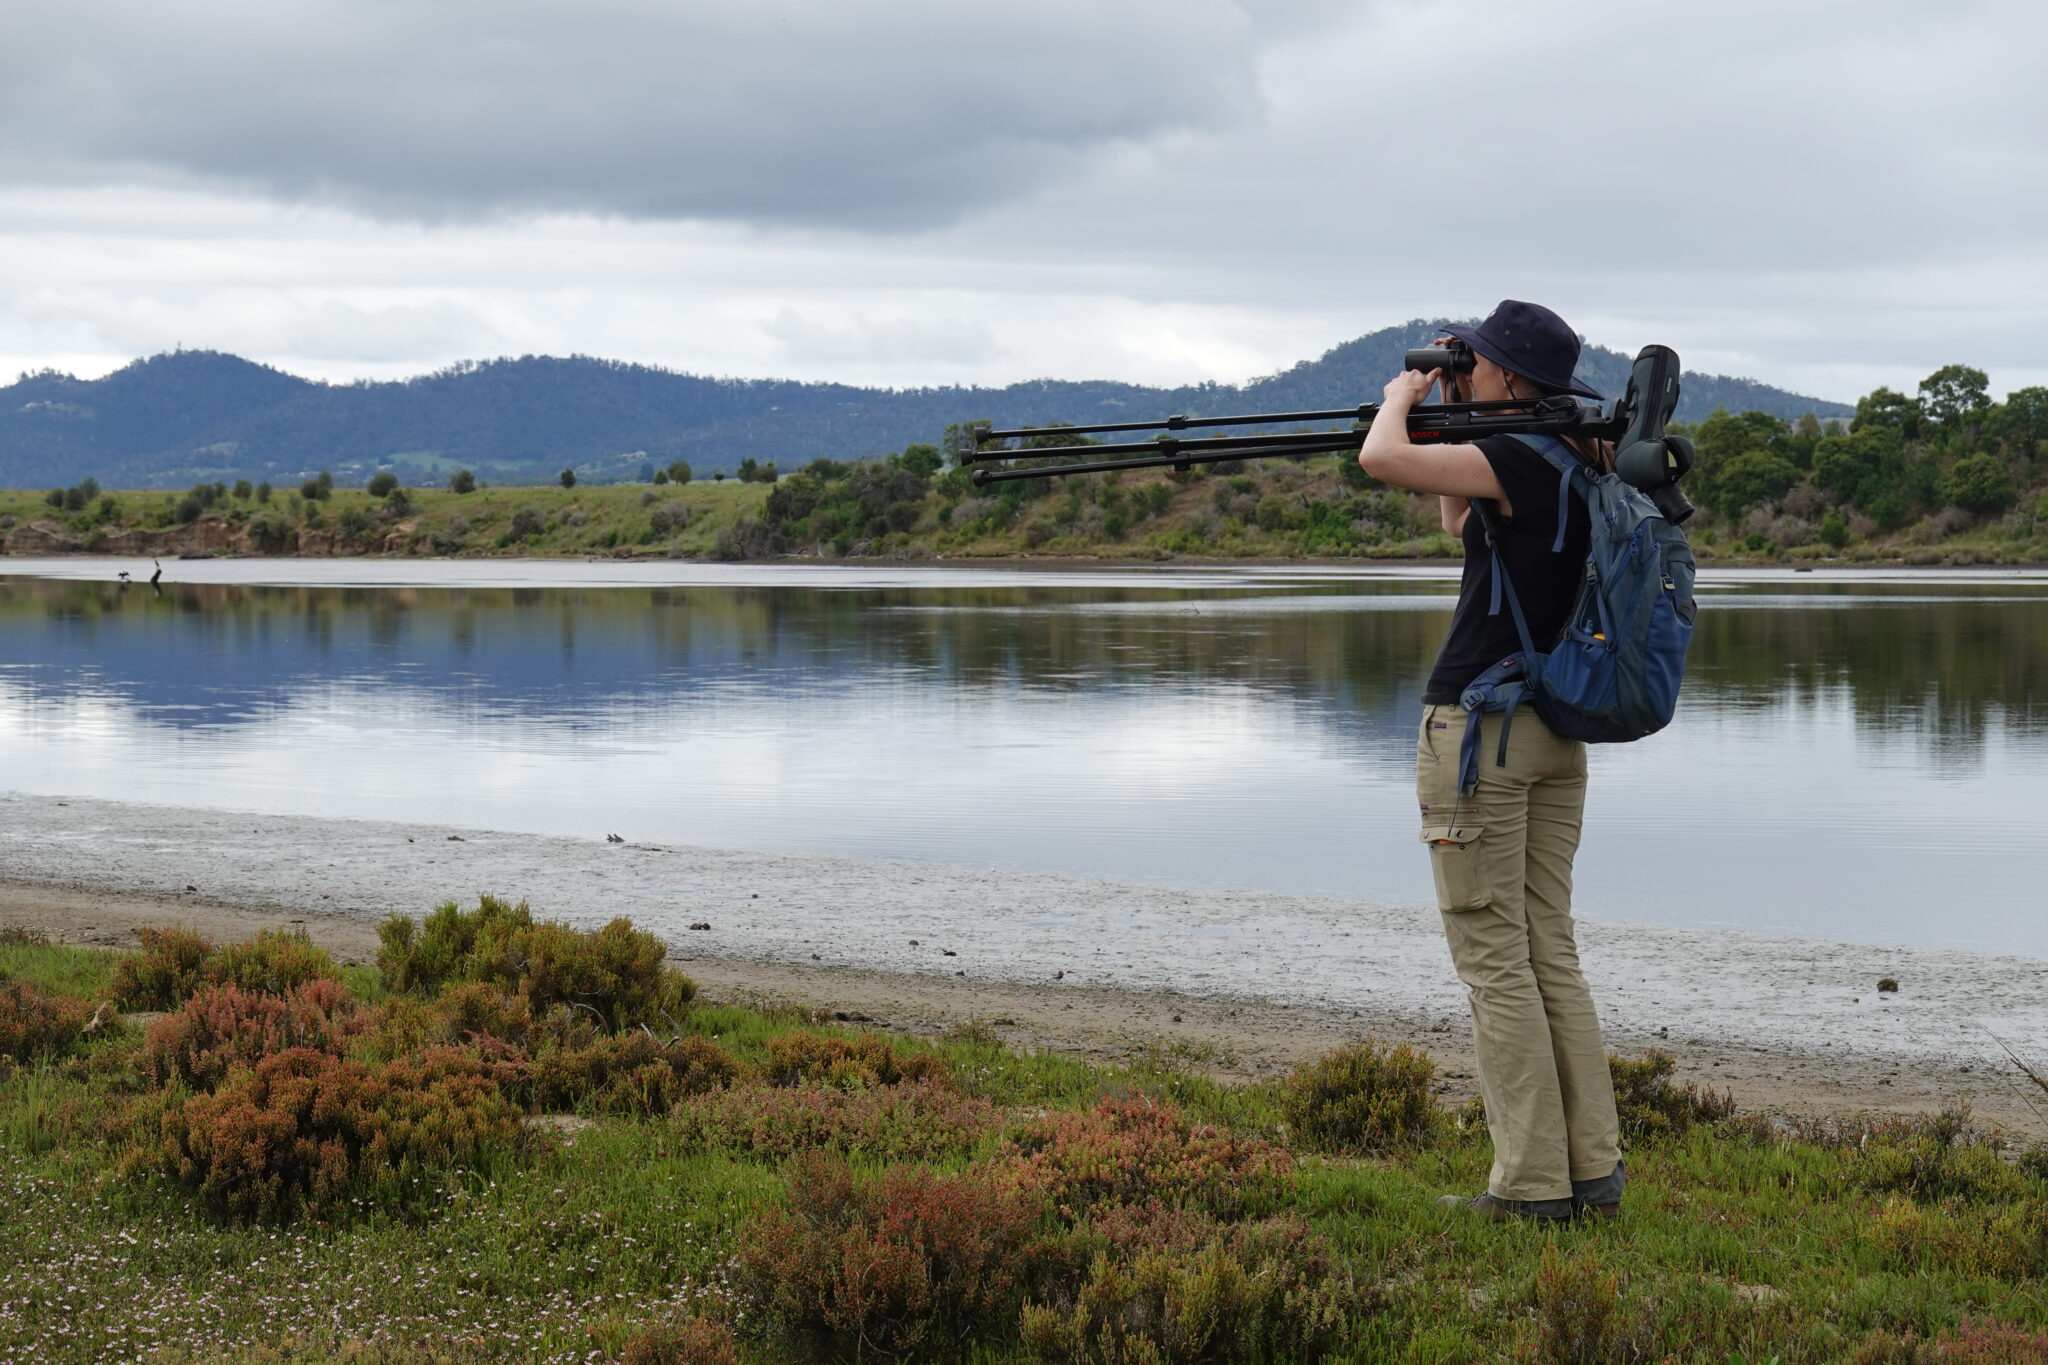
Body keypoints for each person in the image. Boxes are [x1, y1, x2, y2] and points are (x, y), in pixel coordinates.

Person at [1357, 299, 1626, 1222]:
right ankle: (1591, 1170)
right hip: (1555, 731)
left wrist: (1401, 396)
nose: (1465, 371)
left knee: (1493, 958)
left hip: (1481, 734)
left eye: (1478, 363)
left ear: (1510, 374)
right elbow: (1456, 523)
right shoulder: (1578, 457)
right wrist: (1453, 406)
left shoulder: (1512, 456)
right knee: (1549, 948)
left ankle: (1529, 1185)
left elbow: (1381, 458)